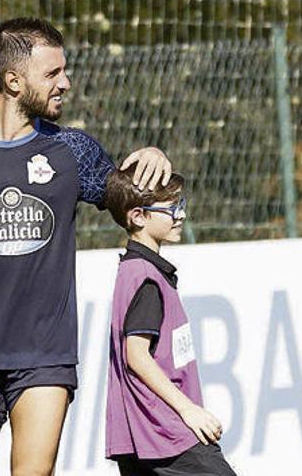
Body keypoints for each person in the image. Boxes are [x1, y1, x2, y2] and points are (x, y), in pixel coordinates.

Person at [0, 17, 173, 475]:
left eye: (64, 71)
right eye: (52, 74)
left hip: (44, 360)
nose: (66, 82)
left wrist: (153, 159)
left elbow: (131, 201)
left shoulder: (73, 151)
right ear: (13, 80)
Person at [101, 164, 237, 475]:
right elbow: (135, 355)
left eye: (181, 205)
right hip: (165, 431)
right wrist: (189, 410)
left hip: (143, 435)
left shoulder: (135, 270)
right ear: (138, 216)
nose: (181, 215)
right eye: (172, 207)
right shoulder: (145, 278)